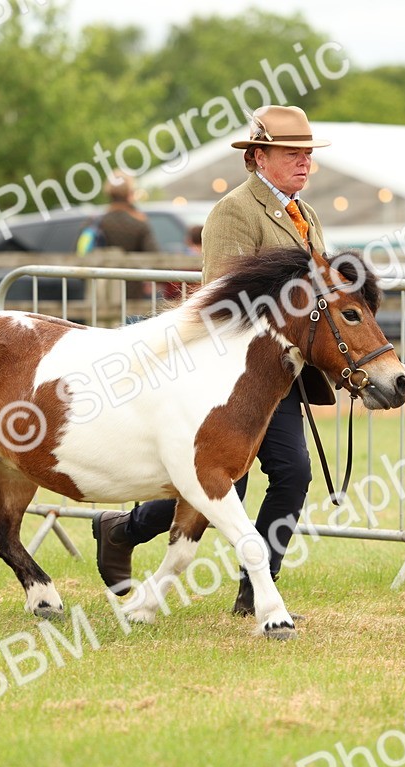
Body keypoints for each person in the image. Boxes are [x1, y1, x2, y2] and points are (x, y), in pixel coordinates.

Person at [92, 105, 332, 617]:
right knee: (222, 482)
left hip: (280, 377)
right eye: (293, 154)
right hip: (228, 378)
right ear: (259, 156)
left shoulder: (305, 215)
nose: (304, 163)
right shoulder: (234, 212)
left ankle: (256, 587)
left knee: (292, 474)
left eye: (308, 154)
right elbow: (226, 295)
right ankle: (123, 529)